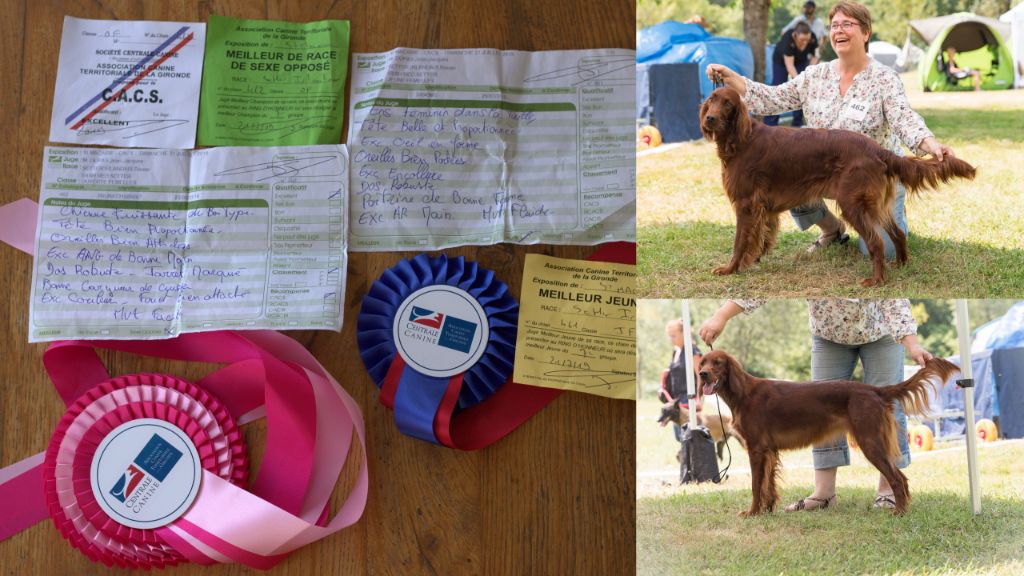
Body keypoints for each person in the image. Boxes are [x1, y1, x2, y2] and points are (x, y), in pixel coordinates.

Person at [706, 1, 957, 258]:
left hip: (871, 174)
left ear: (866, 33)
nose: (839, 30)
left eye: (847, 24)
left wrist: (930, 144)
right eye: (835, 25)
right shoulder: (815, 75)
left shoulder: (884, 78)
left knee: (885, 252)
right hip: (822, 170)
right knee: (786, 173)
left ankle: (891, 216)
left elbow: (904, 118)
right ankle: (831, 230)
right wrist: (731, 77)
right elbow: (772, 98)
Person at [698, 299, 934, 511]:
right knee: (763, 450)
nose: (705, 370)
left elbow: (894, 300)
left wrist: (912, 345)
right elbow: (756, 293)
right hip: (828, 333)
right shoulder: (749, 400)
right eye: (704, 367)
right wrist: (721, 315)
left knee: (873, 445)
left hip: (882, 331)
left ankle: (891, 492)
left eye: (715, 365)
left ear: (730, 373)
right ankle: (822, 495)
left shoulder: (753, 396)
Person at [764, 22, 818, 127]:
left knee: (801, 90)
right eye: (802, 40)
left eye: (807, 40)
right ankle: (770, 124)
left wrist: (808, 72)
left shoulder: (812, 37)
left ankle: (797, 123)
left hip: (801, 60)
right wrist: (800, 80)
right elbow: (790, 66)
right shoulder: (787, 40)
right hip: (781, 61)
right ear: (795, 35)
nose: (805, 43)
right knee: (778, 89)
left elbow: (815, 56)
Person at [661, 319, 703, 444]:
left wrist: (699, 399)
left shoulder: (693, 351)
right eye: (669, 336)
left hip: (689, 401)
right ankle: (687, 461)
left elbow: (701, 376)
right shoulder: (676, 351)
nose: (671, 339)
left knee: (688, 438)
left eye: (673, 335)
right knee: (679, 437)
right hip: (675, 401)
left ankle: (692, 462)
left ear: (684, 333)